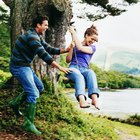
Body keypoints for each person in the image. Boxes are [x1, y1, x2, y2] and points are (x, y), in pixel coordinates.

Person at [9, 15, 72, 136]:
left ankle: (15, 103)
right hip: (18, 67)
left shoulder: (37, 35)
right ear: (38, 25)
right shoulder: (32, 37)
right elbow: (43, 53)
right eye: (45, 25)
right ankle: (28, 123)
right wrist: (59, 67)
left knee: (39, 87)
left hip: (25, 66)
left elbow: (48, 48)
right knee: (33, 93)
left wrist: (65, 50)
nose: (47, 27)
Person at [66, 25, 100, 109]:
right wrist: (71, 48)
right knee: (79, 76)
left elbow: (80, 48)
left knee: (91, 73)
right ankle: (82, 100)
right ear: (86, 35)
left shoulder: (92, 48)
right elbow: (68, 60)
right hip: (73, 68)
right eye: (92, 39)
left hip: (85, 69)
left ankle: (94, 99)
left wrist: (73, 33)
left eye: (94, 40)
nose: (92, 41)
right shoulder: (76, 44)